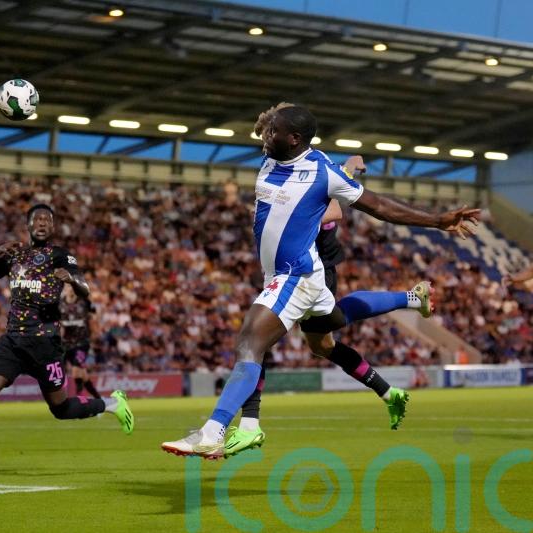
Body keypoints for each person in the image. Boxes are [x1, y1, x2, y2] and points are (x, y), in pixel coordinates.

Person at [161, 105, 480, 459]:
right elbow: (266, 126)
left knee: (251, 340)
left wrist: (437, 221)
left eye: (274, 131)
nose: (266, 137)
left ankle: (215, 430)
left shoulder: (323, 172)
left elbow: (379, 206)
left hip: (296, 273)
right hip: (296, 275)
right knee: (329, 330)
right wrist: (273, 117)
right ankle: (409, 298)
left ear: (295, 139)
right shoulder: (271, 157)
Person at [224, 149, 432, 457]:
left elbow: (335, 211)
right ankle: (390, 392)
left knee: (264, 338)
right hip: (295, 269)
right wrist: (350, 167)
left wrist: (299, 208)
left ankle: (250, 424)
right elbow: (344, 173)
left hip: (313, 271)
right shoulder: (300, 171)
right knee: (320, 345)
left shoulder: (317, 173)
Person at [0, 204, 134, 479]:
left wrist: (71, 280)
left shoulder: (62, 256)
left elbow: (85, 292)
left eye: (47, 219)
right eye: (36, 219)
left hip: (45, 343)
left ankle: (112, 404)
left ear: (53, 227)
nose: (42, 223)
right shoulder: (16, 254)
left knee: (61, 409)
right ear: (28, 225)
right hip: (12, 340)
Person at [60, 283, 100, 399]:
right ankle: (98, 398)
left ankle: (80, 397)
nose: (71, 290)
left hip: (82, 343)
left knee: (76, 369)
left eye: (73, 287)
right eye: (68, 287)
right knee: (83, 374)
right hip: (66, 343)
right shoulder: (60, 304)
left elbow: (94, 314)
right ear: (65, 289)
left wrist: (94, 328)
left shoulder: (84, 302)